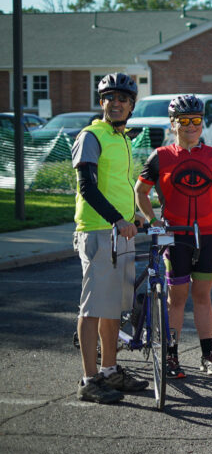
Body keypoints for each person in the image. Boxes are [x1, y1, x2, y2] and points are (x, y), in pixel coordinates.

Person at [135, 94, 212, 378]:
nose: (191, 126)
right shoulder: (160, 156)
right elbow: (140, 192)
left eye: (197, 120)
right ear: (173, 123)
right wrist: (154, 220)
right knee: (177, 298)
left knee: (203, 295)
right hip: (174, 237)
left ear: (203, 123)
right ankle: (172, 356)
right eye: (184, 121)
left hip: (206, 236)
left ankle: (207, 356)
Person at [70, 72, 149, 403]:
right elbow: (88, 187)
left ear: (131, 105)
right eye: (109, 98)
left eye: (122, 99)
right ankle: (89, 379)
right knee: (92, 308)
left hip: (121, 230)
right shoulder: (92, 136)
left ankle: (110, 370)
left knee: (113, 308)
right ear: (101, 102)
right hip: (99, 230)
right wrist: (117, 219)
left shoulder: (124, 139)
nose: (115, 104)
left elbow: (120, 184)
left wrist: (136, 215)